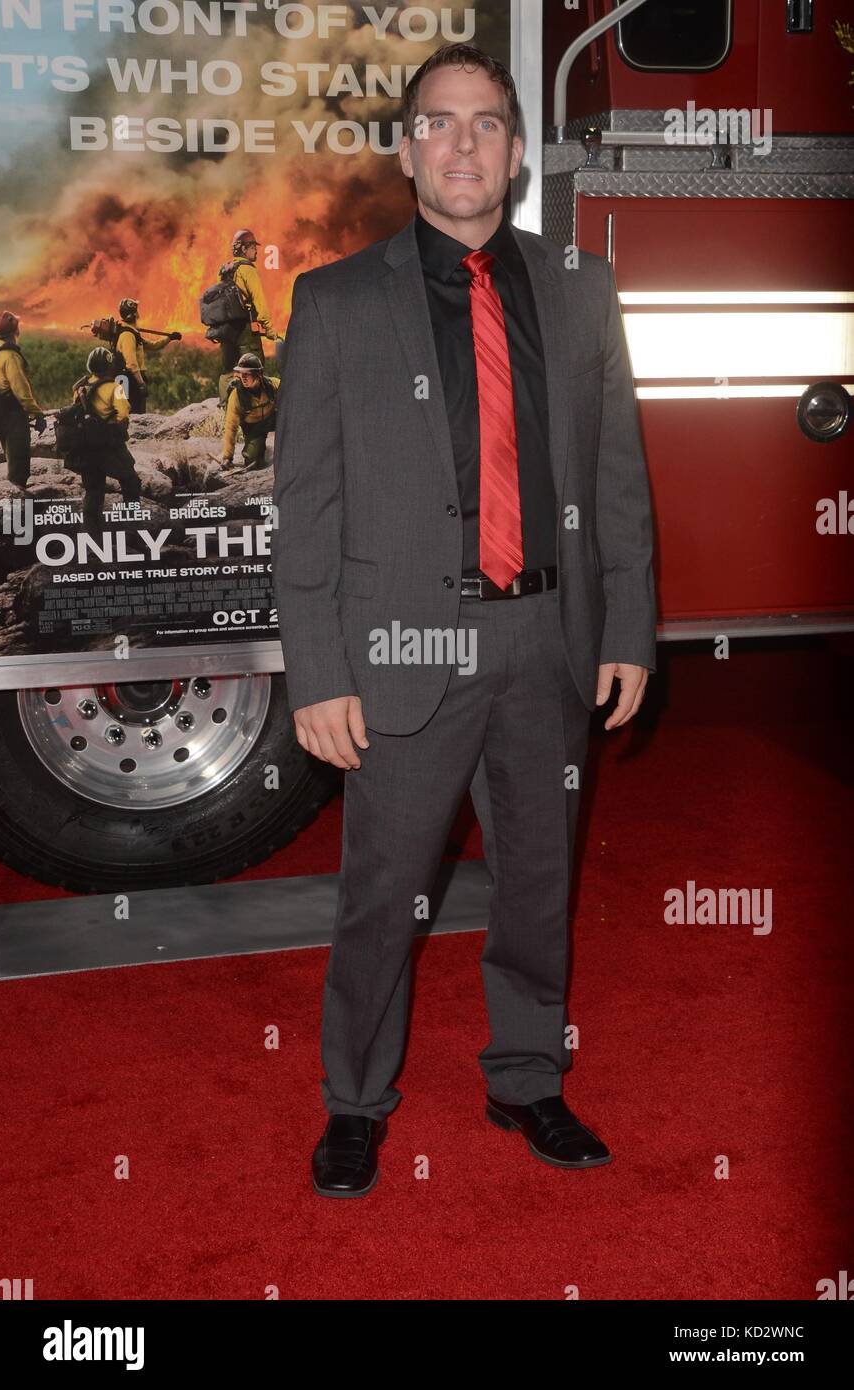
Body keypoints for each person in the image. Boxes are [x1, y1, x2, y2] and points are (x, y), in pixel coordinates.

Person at [271, 43, 656, 1198]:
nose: (464, 145)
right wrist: (321, 668)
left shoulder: (583, 287)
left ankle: (528, 1075)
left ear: (519, 151)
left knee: (539, 878)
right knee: (383, 891)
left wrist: (628, 626)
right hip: (403, 647)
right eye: (439, 123)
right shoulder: (335, 302)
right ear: (406, 148)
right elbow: (307, 507)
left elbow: (619, 468)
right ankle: (354, 1100)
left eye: (487, 124)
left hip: (549, 634)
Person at [69, 346, 142, 540]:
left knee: (93, 491)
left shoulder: (80, 388)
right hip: (110, 446)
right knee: (131, 482)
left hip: (86, 448)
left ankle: (91, 536)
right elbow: (124, 413)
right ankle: (131, 529)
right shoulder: (115, 388)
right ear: (109, 366)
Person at [0, 309, 46, 488]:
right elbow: (22, 392)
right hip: (14, 417)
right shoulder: (11, 357)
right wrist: (37, 414)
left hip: (1, 415)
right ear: (15, 330)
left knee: (12, 459)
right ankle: (17, 504)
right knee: (19, 466)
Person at [218, 229, 277, 381]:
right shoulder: (248, 270)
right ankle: (253, 404)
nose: (256, 250)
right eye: (252, 247)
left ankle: (228, 404)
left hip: (226, 331)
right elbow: (259, 302)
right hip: (245, 331)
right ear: (243, 249)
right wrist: (270, 330)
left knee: (229, 373)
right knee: (253, 370)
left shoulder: (225, 270)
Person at [114, 298, 179, 414]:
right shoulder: (127, 335)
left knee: (133, 413)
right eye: (136, 311)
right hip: (129, 379)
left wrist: (170, 338)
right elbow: (131, 363)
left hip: (128, 378)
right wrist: (141, 383)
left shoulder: (132, 332)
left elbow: (153, 345)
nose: (138, 314)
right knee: (133, 414)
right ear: (133, 314)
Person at [220, 352, 280, 472]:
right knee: (252, 461)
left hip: (273, 420)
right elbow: (230, 428)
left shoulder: (272, 385)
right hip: (254, 429)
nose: (243, 377)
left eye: (247, 373)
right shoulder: (236, 396)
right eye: (241, 373)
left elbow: (291, 391)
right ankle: (260, 448)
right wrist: (227, 458)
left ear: (258, 374)